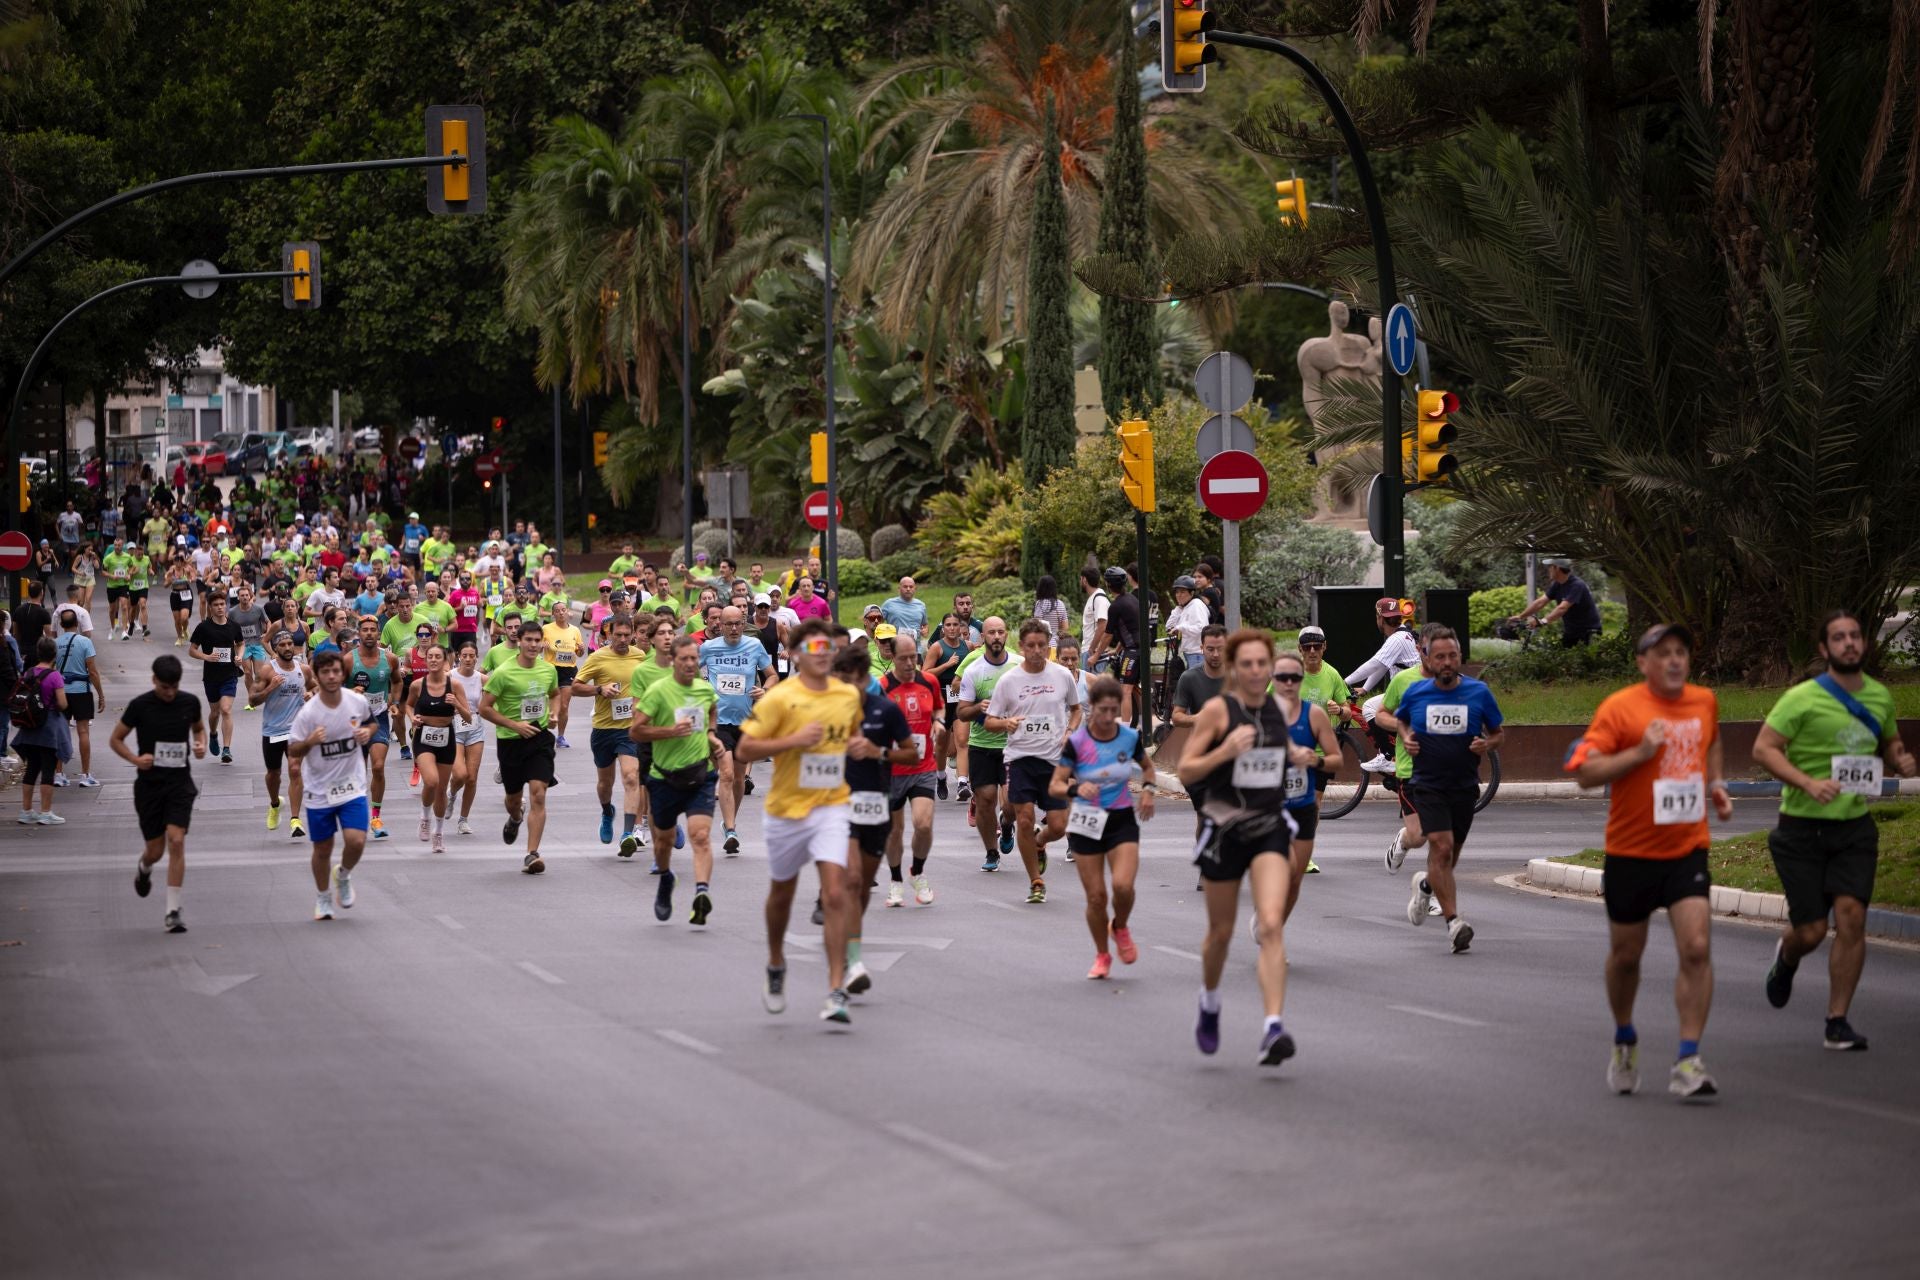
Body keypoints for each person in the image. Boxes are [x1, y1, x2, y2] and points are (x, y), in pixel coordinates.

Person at [1566, 623, 1733, 1101]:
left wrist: (1716, 783)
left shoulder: (1704, 701)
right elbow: (1585, 774)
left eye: (1681, 651)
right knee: (1626, 957)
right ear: (1643, 663)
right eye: (1663, 653)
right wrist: (1641, 752)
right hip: (1631, 852)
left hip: (1687, 848)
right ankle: (1624, 1036)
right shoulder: (1620, 708)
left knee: (1696, 948)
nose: (1675, 660)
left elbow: (1712, 739)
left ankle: (1688, 1059)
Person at [1752, 610, 1918, 1052]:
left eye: (1855, 636)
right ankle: (1787, 958)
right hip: (1801, 829)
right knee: (1809, 931)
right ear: (1824, 649)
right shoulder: (1801, 698)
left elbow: (1889, 742)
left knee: (1852, 918)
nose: (1849, 643)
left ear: (1864, 643)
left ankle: (1837, 1021)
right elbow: (1764, 749)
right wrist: (1807, 783)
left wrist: (1899, 758)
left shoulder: (1879, 696)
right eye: (1839, 638)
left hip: (1853, 828)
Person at [1177, 630, 1319, 1066]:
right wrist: (1224, 752)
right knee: (1220, 934)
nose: (1256, 671)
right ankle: (1210, 1000)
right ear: (1235, 669)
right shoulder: (1219, 711)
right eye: (1248, 664)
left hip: (1268, 826)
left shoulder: (1276, 710)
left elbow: (1275, 754)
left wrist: (1295, 754)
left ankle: (1273, 1027)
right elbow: (1186, 770)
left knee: (1271, 924)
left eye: (1263, 664)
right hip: (1224, 829)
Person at [736, 617, 869, 1025]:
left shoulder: (847, 695)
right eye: (814, 648)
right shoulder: (780, 698)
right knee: (782, 894)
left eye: (827, 647)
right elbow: (744, 749)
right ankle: (776, 962)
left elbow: (850, 734)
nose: (823, 654)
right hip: (787, 811)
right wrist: (793, 741)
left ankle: (836, 989)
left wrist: (856, 745)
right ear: (795, 654)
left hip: (831, 806)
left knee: (835, 893)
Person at [1377, 625, 1504, 953]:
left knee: (1448, 858)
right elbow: (1398, 719)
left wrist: (1487, 744)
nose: (1447, 662)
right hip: (1427, 784)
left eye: (1452, 656)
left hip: (1464, 786)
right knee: (1441, 848)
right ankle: (1454, 923)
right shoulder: (1416, 692)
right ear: (1428, 659)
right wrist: (1406, 737)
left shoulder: (1479, 692)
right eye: (1440, 657)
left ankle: (1425, 885)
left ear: (1459, 657)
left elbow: (1498, 733)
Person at [1051, 675, 1157, 978]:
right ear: (1092, 707)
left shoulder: (1129, 738)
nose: (1109, 717)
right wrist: (1075, 789)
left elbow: (1148, 769)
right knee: (1097, 897)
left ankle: (1120, 926)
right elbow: (1055, 785)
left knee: (1123, 886)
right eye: (1103, 710)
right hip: (1086, 822)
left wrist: (1148, 791)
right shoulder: (1077, 743)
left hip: (1120, 819)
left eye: (1114, 710)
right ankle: (1102, 955)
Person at [981, 619, 1084, 903]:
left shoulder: (1061, 675)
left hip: (1054, 761)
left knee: (1059, 826)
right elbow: (989, 721)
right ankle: (1036, 882)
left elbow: (1076, 710)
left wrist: (1069, 731)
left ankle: (1040, 842)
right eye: (1031, 645)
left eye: (1042, 645)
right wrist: (1006, 723)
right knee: (1025, 819)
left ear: (1049, 646)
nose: (1037, 650)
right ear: (1022, 647)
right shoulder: (1009, 681)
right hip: (1020, 759)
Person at [835, 643, 918, 994]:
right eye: (841, 681)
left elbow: (911, 754)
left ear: (863, 679)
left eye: (853, 680)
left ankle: (848, 939)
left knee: (863, 884)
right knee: (853, 879)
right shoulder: (827, 713)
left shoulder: (886, 710)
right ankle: (853, 962)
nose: (847, 688)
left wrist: (878, 751)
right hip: (838, 806)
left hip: (875, 804)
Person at [631, 635, 723, 926]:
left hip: (700, 775)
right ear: (672, 661)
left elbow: (712, 711)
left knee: (700, 836)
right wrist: (669, 731)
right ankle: (666, 877)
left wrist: (711, 736)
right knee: (664, 842)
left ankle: (701, 893)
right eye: (684, 659)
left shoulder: (704, 689)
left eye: (694, 658)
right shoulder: (658, 691)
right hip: (664, 778)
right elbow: (636, 731)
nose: (690, 664)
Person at [111, 655, 207, 932]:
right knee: (155, 850)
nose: (170, 692)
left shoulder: (189, 702)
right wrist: (135, 759)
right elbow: (116, 739)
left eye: (174, 687)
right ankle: (144, 868)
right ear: (154, 680)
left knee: (176, 841)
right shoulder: (140, 706)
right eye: (165, 687)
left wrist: (200, 745)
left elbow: (199, 729)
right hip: (149, 787)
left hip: (179, 784)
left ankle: (173, 910)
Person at [290, 649, 377, 920]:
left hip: (352, 785)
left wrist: (367, 732)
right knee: (323, 848)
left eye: (336, 671)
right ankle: (323, 896)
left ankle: (343, 874)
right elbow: (293, 749)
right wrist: (310, 742)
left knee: (357, 841)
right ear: (316, 676)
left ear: (343, 674)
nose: (331, 676)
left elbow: (372, 723)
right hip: (319, 789)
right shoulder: (308, 713)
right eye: (325, 672)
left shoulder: (356, 701)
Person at [480, 620, 560, 874]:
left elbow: (555, 694)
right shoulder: (504, 672)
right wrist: (514, 725)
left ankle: (532, 854)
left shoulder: (548, 670)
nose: (533, 645)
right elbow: (484, 708)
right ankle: (515, 818)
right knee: (514, 800)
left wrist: (554, 714)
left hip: (539, 737)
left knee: (539, 793)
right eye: (529, 640)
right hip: (511, 741)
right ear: (520, 642)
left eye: (537, 640)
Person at [699, 604, 777, 858]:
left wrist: (764, 689)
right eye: (728, 624)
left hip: (745, 722)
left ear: (744, 624)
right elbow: (688, 672)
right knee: (727, 773)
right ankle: (731, 831)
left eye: (738, 624)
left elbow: (772, 675)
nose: (733, 628)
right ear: (719, 625)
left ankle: (729, 821)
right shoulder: (708, 648)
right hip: (718, 721)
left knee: (739, 778)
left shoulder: (754, 646)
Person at [880, 633, 943, 907]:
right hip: (892, 770)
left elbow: (939, 709)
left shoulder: (929, 681)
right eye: (903, 658)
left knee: (923, 825)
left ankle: (917, 871)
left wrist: (939, 722)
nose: (909, 663)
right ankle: (895, 881)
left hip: (923, 766)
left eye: (913, 657)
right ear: (891, 657)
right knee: (895, 831)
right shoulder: (882, 687)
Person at [574, 615, 647, 849]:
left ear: (633, 634)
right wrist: (599, 689)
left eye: (627, 635)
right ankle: (607, 812)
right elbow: (575, 687)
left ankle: (627, 833)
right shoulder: (598, 657)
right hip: (604, 729)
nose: (623, 639)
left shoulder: (640, 656)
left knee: (631, 776)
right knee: (605, 784)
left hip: (629, 729)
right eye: (618, 635)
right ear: (609, 634)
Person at [955, 617, 1018, 871]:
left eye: (1000, 632)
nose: (996, 637)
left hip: (1013, 746)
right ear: (983, 637)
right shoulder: (973, 670)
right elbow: (961, 713)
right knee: (985, 800)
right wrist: (977, 707)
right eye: (991, 632)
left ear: (1006, 635)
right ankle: (991, 851)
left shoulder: (1018, 666)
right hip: (982, 745)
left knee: (1012, 802)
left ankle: (1007, 824)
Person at [405, 642, 471, 853]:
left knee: (441, 789)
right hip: (423, 737)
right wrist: (412, 717)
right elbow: (408, 705)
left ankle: (439, 833)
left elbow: (468, 717)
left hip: (446, 738)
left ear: (445, 661)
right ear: (426, 660)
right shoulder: (418, 685)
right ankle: (425, 818)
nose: (433, 660)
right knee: (431, 781)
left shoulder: (455, 685)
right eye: (430, 657)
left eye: (437, 657)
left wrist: (456, 704)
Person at [1346, 598, 1421, 772]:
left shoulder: (1396, 639)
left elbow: (1374, 664)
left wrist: (1343, 682)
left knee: (1370, 708)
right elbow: (1383, 665)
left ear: (1380, 618)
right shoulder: (1404, 634)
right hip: (1414, 691)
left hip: (1408, 693)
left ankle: (1387, 756)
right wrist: (1365, 688)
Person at [250, 627, 312, 838]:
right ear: (275, 648)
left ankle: (295, 820)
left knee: (294, 770)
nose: (287, 648)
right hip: (273, 729)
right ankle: (275, 804)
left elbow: (316, 688)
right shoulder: (267, 671)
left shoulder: (304, 669)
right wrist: (270, 688)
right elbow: (252, 700)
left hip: (296, 730)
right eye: (282, 645)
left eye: (289, 644)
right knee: (273, 774)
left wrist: (311, 694)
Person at [347, 615, 402, 839]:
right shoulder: (348, 660)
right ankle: (357, 813)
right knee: (358, 771)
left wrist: (394, 702)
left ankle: (376, 817)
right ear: (359, 634)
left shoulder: (389, 659)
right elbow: (333, 689)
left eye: (373, 629)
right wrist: (351, 692)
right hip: (353, 721)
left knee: (378, 767)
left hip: (378, 718)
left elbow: (397, 681)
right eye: (365, 630)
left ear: (378, 633)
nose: (369, 633)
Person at [13, 637, 69, 825]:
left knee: (31, 768)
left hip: (29, 727)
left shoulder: (28, 672)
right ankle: (46, 812)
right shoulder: (54, 676)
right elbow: (62, 703)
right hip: (48, 729)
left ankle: (26, 811)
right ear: (54, 655)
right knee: (48, 769)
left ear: (38, 653)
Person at [187, 591, 244, 764]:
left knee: (225, 709)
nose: (220, 607)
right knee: (215, 712)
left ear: (226, 605)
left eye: (222, 604)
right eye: (216, 605)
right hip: (211, 676)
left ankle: (226, 749)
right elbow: (192, 650)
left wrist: (239, 656)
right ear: (210, 608)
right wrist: (206, 657)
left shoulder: (234, 626)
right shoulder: (203, 627)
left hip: (230, 674)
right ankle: (213, 734)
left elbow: (241, 643)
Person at [53, 608, 103, 788]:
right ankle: (85, 774)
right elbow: (93, 671)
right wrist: (101, 694)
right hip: (81, 691)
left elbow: (51, 669)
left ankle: (58, 774)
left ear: (61, 624)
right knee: (83, 732)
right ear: (77, 623)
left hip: (61, 692)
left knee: (61, 731)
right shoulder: (85, 642)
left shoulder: (55, 643)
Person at [927, 613, 971, 801]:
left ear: (960, 627)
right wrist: (946, 665)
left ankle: (962, 782)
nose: (952, 628)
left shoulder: (967, 646)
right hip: (942, 699)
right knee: (942, 744)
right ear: (943, 628)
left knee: (962, 740)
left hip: (961, 697)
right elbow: (926, 673)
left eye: (955, 624)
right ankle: (940, 776)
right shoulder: (937, 648)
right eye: (948, 625)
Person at [1509, 558, 1602, 647]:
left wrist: (1543, 621)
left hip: (1589, 632)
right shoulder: (1558, 584)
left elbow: (1562, 608)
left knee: (1582, 657)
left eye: (1550, 566)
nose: (1548, 569)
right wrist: (1521, 616)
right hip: (1572, 632)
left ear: (1557, 568)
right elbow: (1540, 602)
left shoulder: (1577, 585)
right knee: (1560, 655)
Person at [447, 639, 487, 836]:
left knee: (471, 778)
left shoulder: (482, 679)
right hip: (454, 726)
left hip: (475, 727)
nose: (468, 659)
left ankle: (463, 819)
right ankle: (452, 794)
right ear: (458, 657)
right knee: (460, 774)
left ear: (477, 657)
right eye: (465, 656)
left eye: (472, 656)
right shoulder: (449, 676)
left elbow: (497, 697)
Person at [542, 601, 587, 748]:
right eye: (557, 611)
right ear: (553, 614)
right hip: (551, 669)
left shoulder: (575, 630)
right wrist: (542, 645)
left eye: (563, 610)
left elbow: (579, 653)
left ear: (567, 612)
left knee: (564, 705)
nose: (561, 613)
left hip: (569, 670)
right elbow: (536, 647)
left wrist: (581, 649)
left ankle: (560, 737)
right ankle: (545, 730)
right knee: (550, 704)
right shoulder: (546, 629)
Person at [1163, 575, 1211, 695]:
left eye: (1183, 592)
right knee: (1192, 688)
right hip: (1189, 653)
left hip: (1197, 654)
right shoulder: (1185, 607)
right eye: (1177, 592)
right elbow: (1169, 625)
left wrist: (1181, 628)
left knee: (1196, 689)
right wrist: (1178, 608)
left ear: (1192, 593)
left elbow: (1202, 628)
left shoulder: (1196, 605)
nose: (1179, 595)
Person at [880, 575, 930, 644]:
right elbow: (878, 622)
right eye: (905, 586)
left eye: (911, 587)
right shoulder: (889, 604)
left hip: (916, 647)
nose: (908, 589)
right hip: (895, 646)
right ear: (899, 588)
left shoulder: (921, 605)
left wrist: (925, 630)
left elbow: (925, 625)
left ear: (915, 589)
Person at [1078, 567, 1110, 672]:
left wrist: (1092, 649)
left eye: (1080, 579)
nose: (1080, 582)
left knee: (1093, 682)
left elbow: (1103, 626)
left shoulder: (1099, 599)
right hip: (1090, 650)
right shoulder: (1094, 598)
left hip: (1092, 651)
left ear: (1084, 580)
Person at [1030, 575, 1070, 650]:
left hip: (1044, 646)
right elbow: (1065, 627)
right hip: (1058, 646)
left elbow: (1037, 625)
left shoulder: (1040, 604)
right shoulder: (1060, 604)